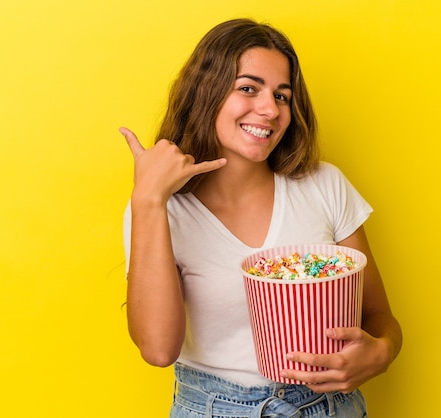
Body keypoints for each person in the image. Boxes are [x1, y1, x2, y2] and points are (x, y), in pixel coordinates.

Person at [120, 18, 402, 418]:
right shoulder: (160, 209)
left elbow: (379, 316)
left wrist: (383, 351)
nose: (270, 110)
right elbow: (158, 349)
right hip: (215, 408)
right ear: (206, 93)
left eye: (282, 96)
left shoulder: (325, 185)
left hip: (331, 407)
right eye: (248, 88)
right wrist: (148, 200)